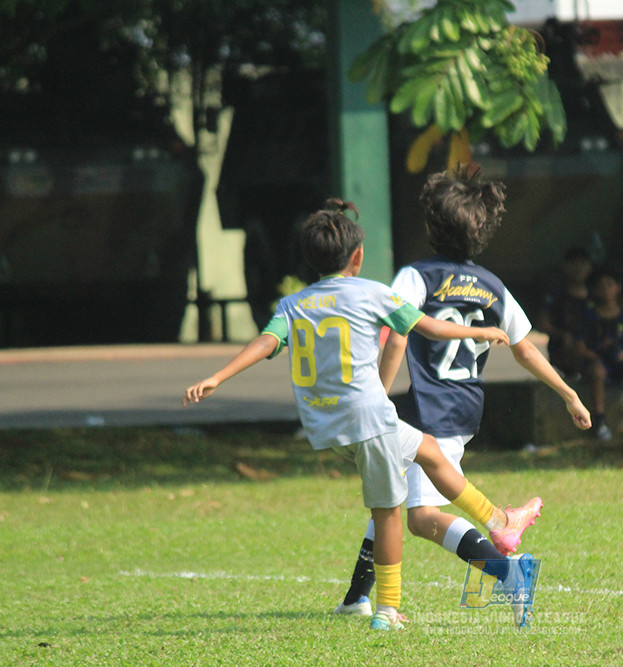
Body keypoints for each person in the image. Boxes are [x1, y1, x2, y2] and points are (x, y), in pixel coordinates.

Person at [182, 199, 538, 632]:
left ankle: (499, 523)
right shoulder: (372, 293)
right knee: (388, 512)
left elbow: (265, 344)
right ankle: (388, 610)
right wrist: (478, 329)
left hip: (328, 425)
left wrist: (218, 376)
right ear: (357, 257)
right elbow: (427, 326)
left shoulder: (293, 304)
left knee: (428, 451)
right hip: (369, 420)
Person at [334, 166, 591, 627]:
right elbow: (526, 349)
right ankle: (357, 598)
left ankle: (507, 571)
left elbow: (396, 337)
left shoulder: (418, 276)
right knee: (388, 494)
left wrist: (374, 391)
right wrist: (568, 393)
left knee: (419, 516)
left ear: (432, 226)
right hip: (460, 407)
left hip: (431, 408)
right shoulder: (493, 286)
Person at [576, 268, 623, 441]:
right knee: (597, 373)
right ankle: (600, 422)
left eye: (610, 285)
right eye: (601, 286)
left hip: (621, 361)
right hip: (597, 361)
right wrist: (593, 356)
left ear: (618, 288)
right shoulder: (589, 316)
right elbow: (579, 345)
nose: (606, 290)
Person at [536, 246, 593, 378]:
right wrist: (563, 335)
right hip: (563, 351)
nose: (578, 268)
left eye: (583, 263)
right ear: (565, 266)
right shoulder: (555, 296)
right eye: (573, 263)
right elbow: (542, 323)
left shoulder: (597, 295)